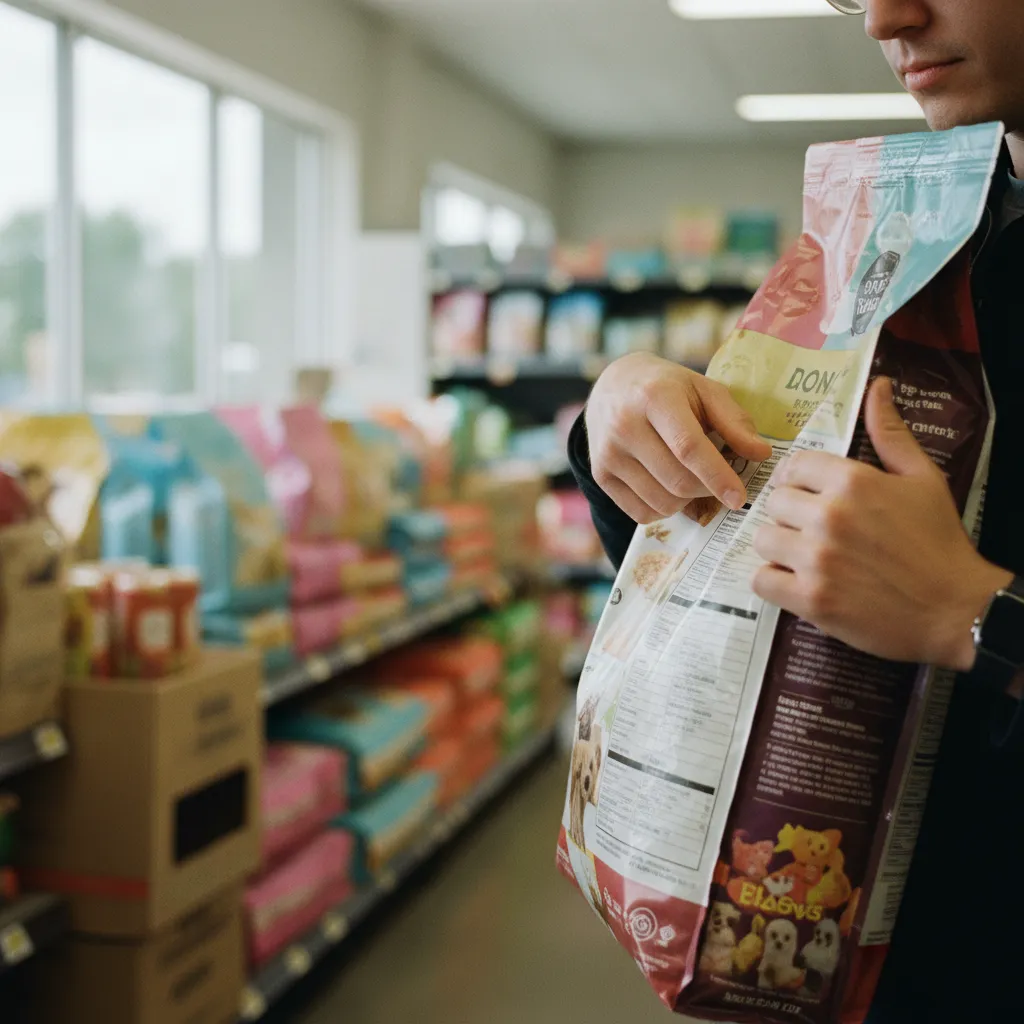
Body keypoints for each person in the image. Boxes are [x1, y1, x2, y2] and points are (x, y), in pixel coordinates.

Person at [568, 2, 1024, 1021]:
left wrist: (982, 618)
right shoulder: (918, 230)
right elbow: (759, 562)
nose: (885, 20)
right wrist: (627, 422)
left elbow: (948, 605)